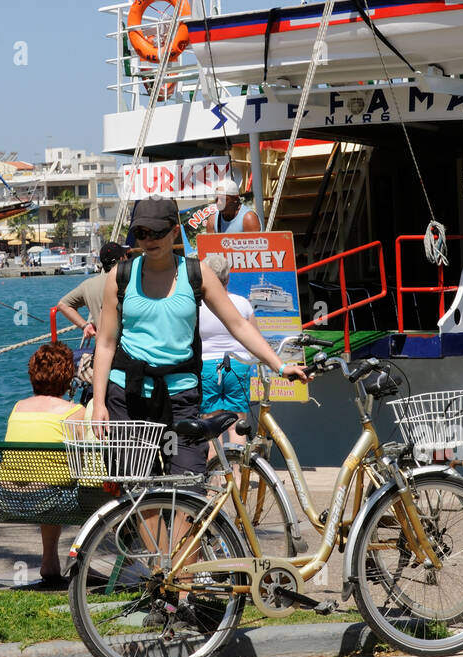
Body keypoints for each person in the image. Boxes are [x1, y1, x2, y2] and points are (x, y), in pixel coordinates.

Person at [91, 197, 307, 476]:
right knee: (137, 490)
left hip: (181, 396)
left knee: (188, 484)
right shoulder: (120, 276)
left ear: (174, 231)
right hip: (127, 396)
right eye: (142, 233)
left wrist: (279, 365)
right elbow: (106, 344)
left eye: (158, 232)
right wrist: (99, 403)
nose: (150, 240)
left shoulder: (197, 273)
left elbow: (238, 325)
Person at [0, 342, 84, 590]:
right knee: (78, 488)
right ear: (68, 376)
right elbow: (84, 464)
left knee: (48, 483)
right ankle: (84, 558)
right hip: (48, 499)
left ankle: (50, 562)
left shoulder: (18, 407)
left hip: (8, 499)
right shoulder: (74, 411)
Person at [198, 253, 255, 446]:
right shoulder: (243, 303)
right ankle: (238, 476)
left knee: (210, 427)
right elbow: (253, 336)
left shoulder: (198, 305)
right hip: (238, 365)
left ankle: (213, 476)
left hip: (207, 367)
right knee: (237, 424)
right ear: (227, 277)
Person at [55, 241, 127, 342]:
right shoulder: (130, 281)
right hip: (128, 349)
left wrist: (85, 326)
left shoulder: (88, 285)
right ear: (122, 259)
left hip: (101, 347)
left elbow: (62, 305)